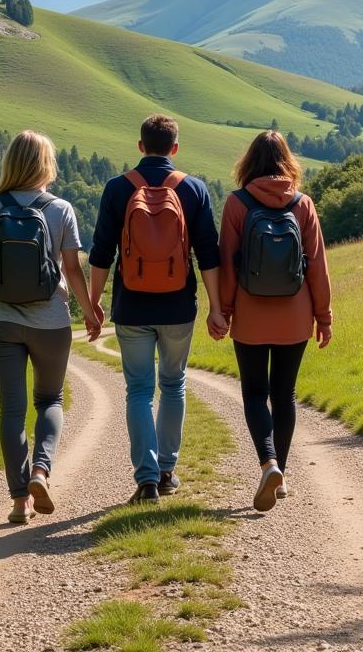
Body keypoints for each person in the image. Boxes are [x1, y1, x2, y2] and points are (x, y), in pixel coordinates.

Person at [0, 130, 102, 524]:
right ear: (47, 164)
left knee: (12, 410)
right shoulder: (61, 208)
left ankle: (19, 500)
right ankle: (41, 471)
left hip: (0, 319)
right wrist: (91, 311)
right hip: (51, 321)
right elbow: (73, 268)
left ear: (10, 161)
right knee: (50, 401)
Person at [89, 114, 222, 504]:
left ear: (140, 146)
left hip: (131, 307)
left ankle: (146, 480)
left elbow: (101, 253)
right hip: (179, 306)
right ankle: (166, 472)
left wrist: (95, 303)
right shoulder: (193, 189)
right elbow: (208, 255)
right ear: (175, 149)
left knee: (139, 390)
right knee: (173, 385)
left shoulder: (117, 189)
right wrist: (216, 307)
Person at [208, 130, 332, 512]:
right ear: (287, 161)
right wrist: (323, 317)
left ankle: (268, 464)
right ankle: (281, 476)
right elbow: (317, 268)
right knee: (285, 395)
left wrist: (223, 311)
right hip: (295, 316)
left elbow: (227, 264)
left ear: (249, 163)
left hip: (250, 314)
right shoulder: (303, 204)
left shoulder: (237, 204)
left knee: (254, 393)